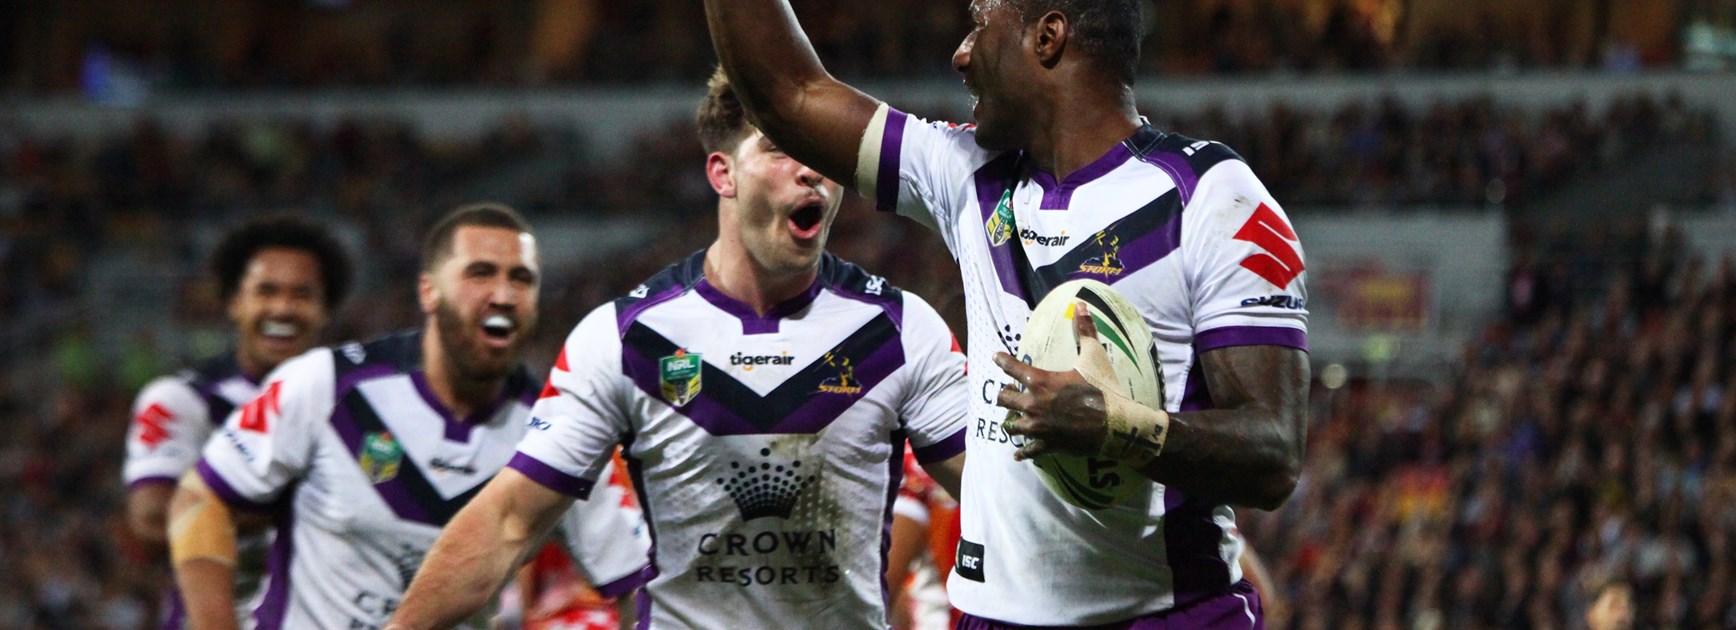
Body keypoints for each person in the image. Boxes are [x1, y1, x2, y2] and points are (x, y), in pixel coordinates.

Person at [705, 0, 1310, 626]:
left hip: (1165, 614)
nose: (961, 54)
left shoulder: (1210, 195)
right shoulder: (966, 172)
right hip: (987, 615)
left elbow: (1274, 456)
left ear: (1048, 38)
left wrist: (1118, 427)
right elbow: (789, 95)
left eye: (979, 26)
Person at [387, 71, 970, 630]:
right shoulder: (625, 339)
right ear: (723, 173)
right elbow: (509, 522)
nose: (811, 172)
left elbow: (991, 489)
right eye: (780, 150)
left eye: (820, 153)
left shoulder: (900, 331)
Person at [167, 204, 651, 629]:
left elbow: (639, 586)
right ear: (429, 292)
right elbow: (201, 496)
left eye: (521, 279)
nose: (503, 294)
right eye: (480, 273)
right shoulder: (325, 385)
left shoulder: (563, 429)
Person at [123, 214, 353, 628]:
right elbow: (152, 521)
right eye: (266, 291)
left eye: (302, 294)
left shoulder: (360, 405)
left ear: (325, 310)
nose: (282, 308)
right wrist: (313, 505)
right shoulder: (184, 400)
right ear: (234, 302)